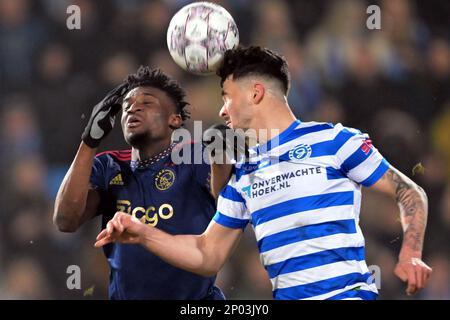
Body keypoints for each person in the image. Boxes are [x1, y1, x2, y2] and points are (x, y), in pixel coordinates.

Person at [94, 47, 433, 300]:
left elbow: (408, 191)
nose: (222, 109)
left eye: (226, 97)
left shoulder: (333, 140)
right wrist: (142, 234)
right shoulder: (242, 170)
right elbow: (207, 254)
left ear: (255, 93)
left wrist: (410, 253)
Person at [53, 66, 228, 299]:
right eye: (126, 107)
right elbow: (66, 220)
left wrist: (222, 158)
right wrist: (89, 141)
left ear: (174, 119)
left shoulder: (195, 156)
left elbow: (225, 197)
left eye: (147, 103)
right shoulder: (108, 166)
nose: (133, 108)